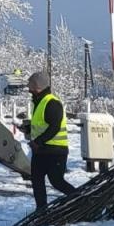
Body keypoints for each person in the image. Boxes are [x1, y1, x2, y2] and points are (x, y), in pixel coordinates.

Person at [25, 71, 77, 210]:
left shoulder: (52, 103)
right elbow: (41, 125)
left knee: (57, 181)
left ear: (37, 86)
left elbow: (54, 127)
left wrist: (38, 141)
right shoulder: (38, 102)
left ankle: (79, 199)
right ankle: (41, 209)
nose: (28, 88)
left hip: (55, 151)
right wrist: (28, 129)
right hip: (40, 150)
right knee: (37, 180)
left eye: (30, 84)